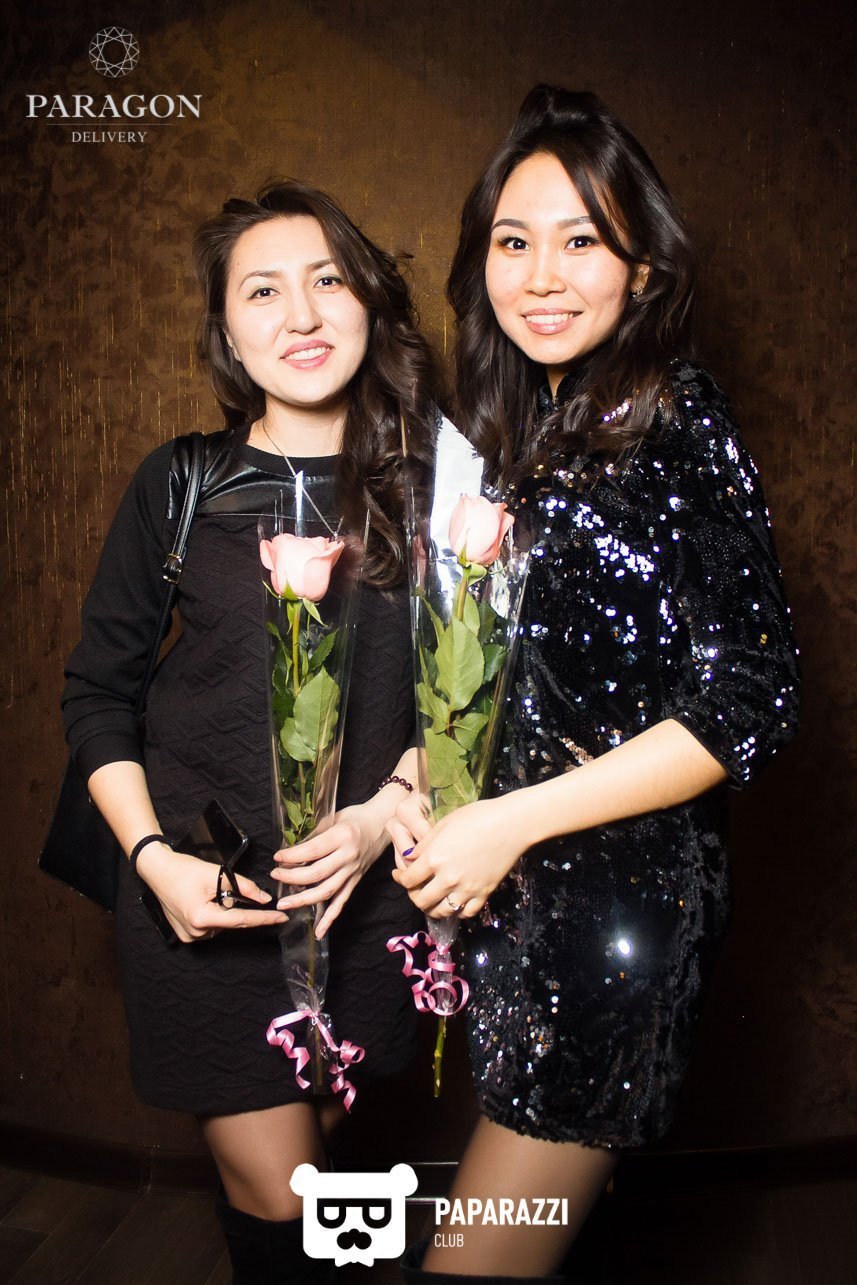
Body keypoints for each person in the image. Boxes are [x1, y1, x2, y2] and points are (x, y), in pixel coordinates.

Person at [389, 86, 800, 1283]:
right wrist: (428, 775)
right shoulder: (539, 432)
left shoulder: (676, 419)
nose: (540, 276)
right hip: (528, 906)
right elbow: (539, 678)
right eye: (512, 241)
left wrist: (505, 822)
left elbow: (751, 699)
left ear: (641, 266)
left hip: (613, 919)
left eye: (580, 240)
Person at [61, 179, 436, 1284]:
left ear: (370, 302)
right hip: (208, 899)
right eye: (262, 291)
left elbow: (473, 706)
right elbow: (98, 693)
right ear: (227, 331)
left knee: (330, 1164)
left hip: (371, 903)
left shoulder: (439, 488)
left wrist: (380, 819)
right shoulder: (181, 482)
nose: (301, 314)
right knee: (286, 1202)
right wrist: (152, 861)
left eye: (328, 280)